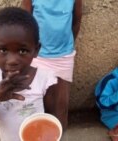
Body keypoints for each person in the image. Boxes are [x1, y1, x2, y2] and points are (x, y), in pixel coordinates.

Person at [0, 7, 58, 141]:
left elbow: (53, 121)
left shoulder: (45, 79)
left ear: (36, 50)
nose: (12, 61)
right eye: (3, 50)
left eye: (22, 51)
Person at [21, 0, 82, 130]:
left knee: (60, 106)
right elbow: (26, 22)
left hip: (64, 56)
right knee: (37, 104)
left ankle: (59, 135)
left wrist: (64, 46)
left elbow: (76, 21)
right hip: (38, 55)